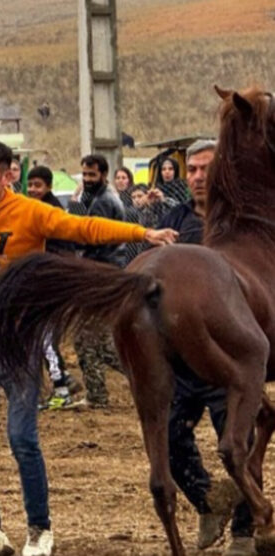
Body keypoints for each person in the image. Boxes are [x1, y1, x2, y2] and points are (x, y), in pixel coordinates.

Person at [0, 140, 177, 556]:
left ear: (8, 175)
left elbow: (84, 228)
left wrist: (142, 233)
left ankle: (39, 531)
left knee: (22, 438)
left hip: (19, 346)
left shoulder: (30, 213)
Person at [155, 140, 255, 556]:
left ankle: (245, 534)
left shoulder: (242, 225)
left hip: (227, 354)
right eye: (191, 169)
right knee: (170, 442)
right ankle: (208, 502)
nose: (197, 176)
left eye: (205, 169)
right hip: (181, 358)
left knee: (238, 444)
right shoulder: (172, 224)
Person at [68, 154, 128, 408]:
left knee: (89, 340)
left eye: (92, 175)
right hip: (105, 273)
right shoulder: (101, 198)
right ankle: (97, 393)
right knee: (93, 340)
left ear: (103, 175)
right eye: (84, 174)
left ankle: (98, 394)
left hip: (99, 276)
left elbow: (94, 240)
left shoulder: (103, 202)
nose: (87, 179)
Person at [24, 166, 81, 410]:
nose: (32, 190)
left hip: (51, 280)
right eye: (30, 185)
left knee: (44, 338)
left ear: (48, 186)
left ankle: (61, 388)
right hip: (43, 278)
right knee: (40, 338)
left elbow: (61, 247)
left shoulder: (50, 211)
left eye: (37, 185)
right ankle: (63, 379)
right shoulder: (34, 209)